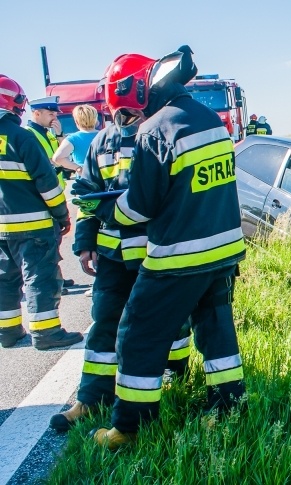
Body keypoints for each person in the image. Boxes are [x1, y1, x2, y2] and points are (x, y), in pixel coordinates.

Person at [91, 46, 246, 449]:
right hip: (223, 250)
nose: (128, 121)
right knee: (217, 333)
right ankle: (229, 410)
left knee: (136, 334)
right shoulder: (208, 118)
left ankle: (129, 428)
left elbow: (140, 207)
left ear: (141, 96)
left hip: (178, 256)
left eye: (126, 113)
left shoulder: (155, 131)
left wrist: (104, 208)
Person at [49, 117, 192, 432]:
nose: (125, 119)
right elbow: (86, 195)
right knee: (105, 323)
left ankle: (174, 379)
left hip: (159, 253)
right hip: (114, 255)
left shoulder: (162, 136)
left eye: (131, 112)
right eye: (119, 111)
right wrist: (85, 244)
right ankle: (91, 398)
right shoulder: (102, 140)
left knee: (169, 321)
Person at [0, 75, 83, 350]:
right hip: (33, 226)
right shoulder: (21, 137)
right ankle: (46, 333)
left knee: (5, 279)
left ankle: (8, 332)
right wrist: (62, 214)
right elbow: (47, 183)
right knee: (39, 278)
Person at [26, 97, 75, 291]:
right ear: (36, 113)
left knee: (54, 242)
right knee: (48, 243)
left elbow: (65, 157)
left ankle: (57, 278)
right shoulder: (29, 135)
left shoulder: (49, 134)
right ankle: (53, 281)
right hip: (41, 198)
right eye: (50, 113)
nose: (55, 117)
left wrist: (60, 134)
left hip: (55, 193)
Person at [52, 104, 100, 177]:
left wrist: (78, 168)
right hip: (107, 178)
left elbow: (57, 158)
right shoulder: (105, 135)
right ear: (96, 120)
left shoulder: (73, 138)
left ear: (76, 121)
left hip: (86, 181)